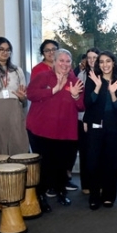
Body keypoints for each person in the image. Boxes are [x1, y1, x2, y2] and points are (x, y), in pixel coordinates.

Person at [26, 49, 84, 209]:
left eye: (68, 61)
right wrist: (53, 90)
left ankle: (60, 192)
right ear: (54, 61)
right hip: (41, 130)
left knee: (62, 164)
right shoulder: (43, 77)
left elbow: (81, 106)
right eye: (61, 60)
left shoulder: (75, 80)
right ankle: (41, 196)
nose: (64, 64)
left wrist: (75, 96)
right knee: (44, 165)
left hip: (65, 131)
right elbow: (30, 94)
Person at [83, 51, 117, 210]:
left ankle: (108, 196)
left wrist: (113, 92)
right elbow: (88, 103)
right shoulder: (93, 79)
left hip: (112, 125)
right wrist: (99, 87)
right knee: (93, 162)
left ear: (113, 63)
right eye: (101, 62)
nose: (105, 65)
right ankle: (94, 196)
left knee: (111, 162)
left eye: (108, 61)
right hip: (95, 125)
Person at [76, 48, 99, 195]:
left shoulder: (103, 74)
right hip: (83, 119)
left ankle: (99, 183)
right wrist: (85, 119)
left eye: (95, 57)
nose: (91, 60)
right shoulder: (81, 75)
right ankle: (86, 184)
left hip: (98, 119)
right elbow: (80, 99)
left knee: (98, 152)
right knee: (85, 153)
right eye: (89, 57)